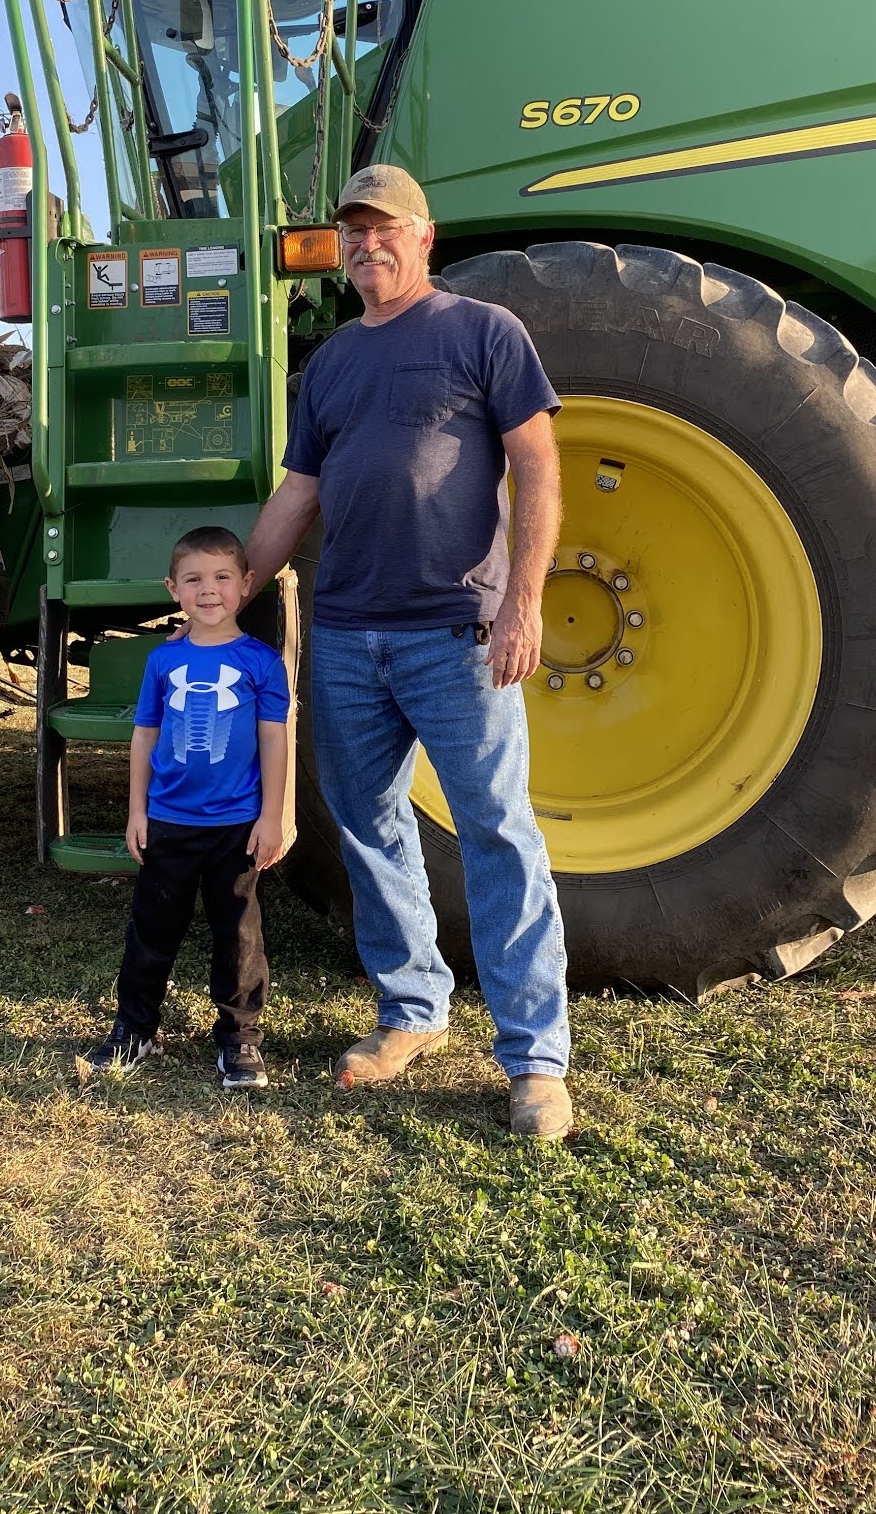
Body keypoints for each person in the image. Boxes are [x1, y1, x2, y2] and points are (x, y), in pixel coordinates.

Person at [243, 166, 574, 1141]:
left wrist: (525, 599)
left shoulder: (483, 333)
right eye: (352, 231)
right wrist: (229, 596)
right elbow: (297, 494)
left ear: (425, 236)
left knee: (497, 831)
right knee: (368, 822)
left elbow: (539, 464)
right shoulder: (334, 365)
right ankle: (412, 1012)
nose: (365, 244)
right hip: (345, 633)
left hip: (456, 632)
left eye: (384, 228)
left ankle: (536, 1061)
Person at [84, 526, 290, 1090]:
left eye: (223, 577)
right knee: (152, 930)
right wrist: (136, 811)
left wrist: (272, 816)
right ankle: (135, 1028)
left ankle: (240, 1039)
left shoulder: (263, 663)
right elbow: (144, 735)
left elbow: (275, 740)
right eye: (194, 579)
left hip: (237, 827)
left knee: (239, 936)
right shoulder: (163, 662)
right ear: (173, 589)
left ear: (246, 584)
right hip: (169, 823)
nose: (209, 590)